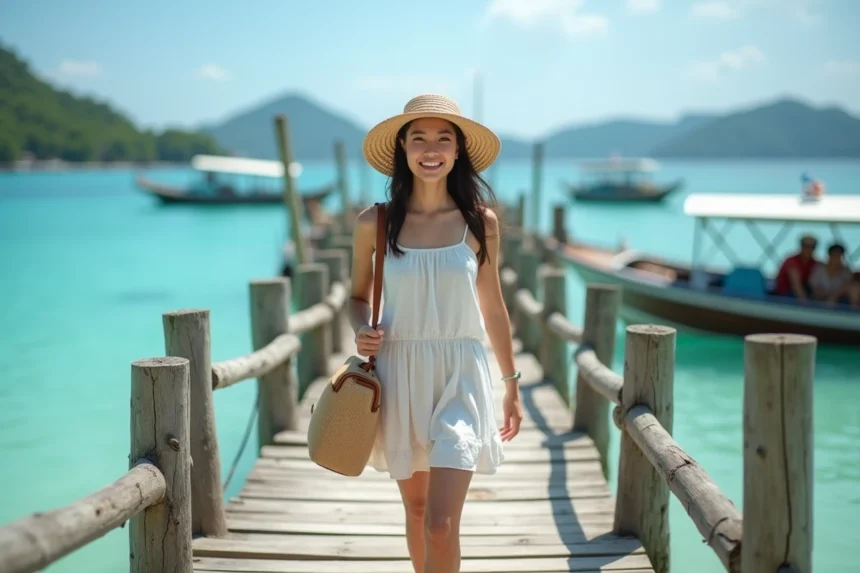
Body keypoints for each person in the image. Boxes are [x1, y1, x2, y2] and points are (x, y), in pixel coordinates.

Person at [348, 94, 522, 573]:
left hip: (460, 376)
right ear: (403, 147)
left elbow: (493, 306)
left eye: (443, 138)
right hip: (399, 372)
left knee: (442, 523)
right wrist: (362, 328)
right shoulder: (375, 222)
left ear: (458, 150)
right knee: (419, 511)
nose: (431, 148)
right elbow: (356, 297)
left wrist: (511, 385)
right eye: (419, 137)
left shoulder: (479, 222)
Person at [809, 242, 860, 308]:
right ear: (829, 256)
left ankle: (854, 313)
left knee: (855, 288)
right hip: (819, 298)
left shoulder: (845, 271)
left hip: (839, 300)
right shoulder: (820, 269)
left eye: (839, 256)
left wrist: (834, 295)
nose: (837, 259)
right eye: (835, 255)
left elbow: (848, 285)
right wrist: (825, 294)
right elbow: (813, 286)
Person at [773, 234, 820, 301]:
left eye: (812, 247)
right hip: (785, 295)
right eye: (806, 246)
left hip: (803, 293)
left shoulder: (814, 263)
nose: (809, 249)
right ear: (801, 246)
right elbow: (796, 285)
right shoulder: (792, 261)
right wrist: (805, 304)